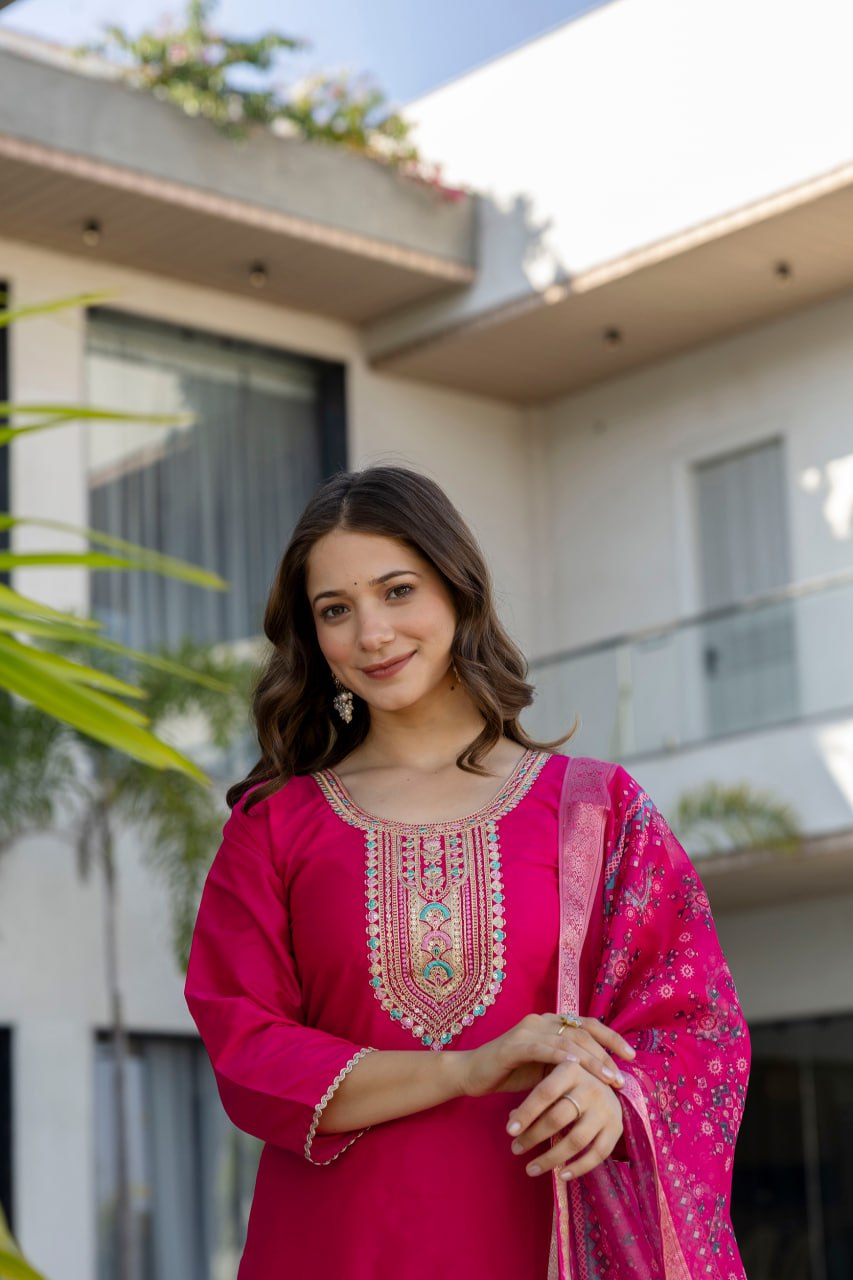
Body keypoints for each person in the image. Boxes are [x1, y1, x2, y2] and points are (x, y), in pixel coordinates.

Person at [185, 466, 750, 1280]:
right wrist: (465, 1068)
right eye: (335, 611)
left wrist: (614, 1100)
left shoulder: (593, 811)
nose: (372, 633)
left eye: (397, 590)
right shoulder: (274, 828)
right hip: (336, 1248)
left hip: (537, 1234)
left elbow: (701, 1029)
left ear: (456, 588)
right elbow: (249, 1055)